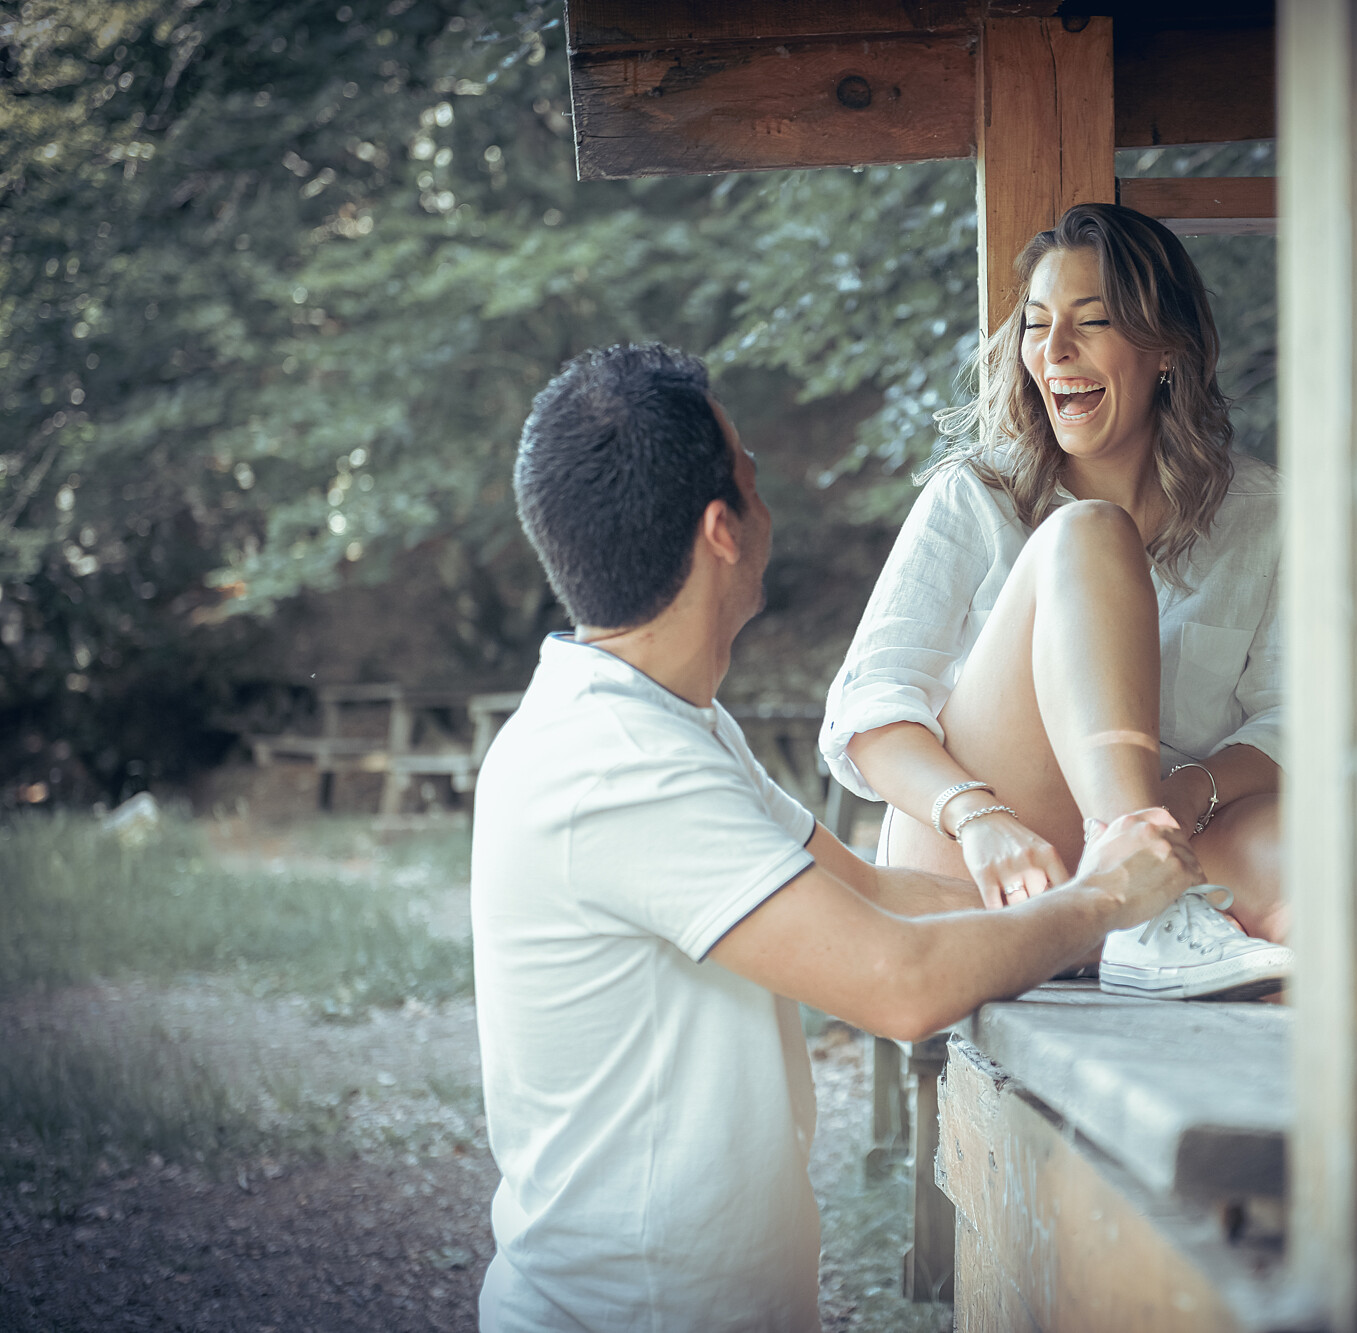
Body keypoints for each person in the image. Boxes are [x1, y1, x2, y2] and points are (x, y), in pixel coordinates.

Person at [471, 343, 1202, 1332]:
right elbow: (897, 984)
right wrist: (1103, 900)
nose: (768, 506)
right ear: (722, 530)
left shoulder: (663, 723)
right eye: (754, 481)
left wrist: (1091, 901)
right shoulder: (611, 764)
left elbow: (877, 893)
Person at [821, 203, 1290, 1001]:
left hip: (1184, 849)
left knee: (1331, 881)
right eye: (1038, 325)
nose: (1055, 351)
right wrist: (977, 817)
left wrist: (1169, 806)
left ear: (1166, 349)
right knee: (1089, 536)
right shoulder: (975, 493)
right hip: (1001, 860)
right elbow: (867, 712)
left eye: (1092, 321)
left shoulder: (1266, 513)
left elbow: (1291, 720)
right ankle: (1140, 908)